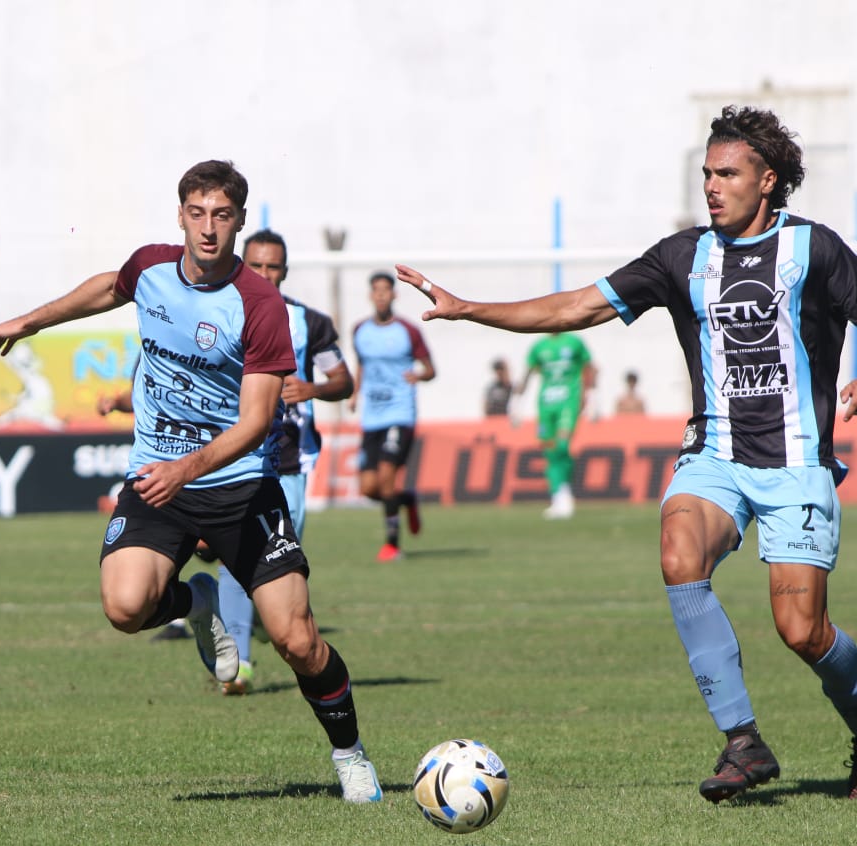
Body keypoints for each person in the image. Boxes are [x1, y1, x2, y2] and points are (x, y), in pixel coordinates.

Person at [396, 105, 857, 803]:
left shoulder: (816, 250)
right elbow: (574, 308)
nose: (712, 185)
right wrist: (470, 309)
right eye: (707, 172)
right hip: (716, 457)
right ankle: (743, 742)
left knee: (802, 631)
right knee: (679, 554)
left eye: (727, 173)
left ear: (766, 181)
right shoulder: (679, 257)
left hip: (796, 465)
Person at [0, 160, 382, 802]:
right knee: (125, 607)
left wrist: (185, 469)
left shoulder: (260, 304)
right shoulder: (153, 269)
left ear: (240, 222)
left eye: (222, 216)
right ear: (181, 216)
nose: (208, 229)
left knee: (297, 641)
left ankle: (350, 753)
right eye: (197, 214)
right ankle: (197, 604)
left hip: (240, 487)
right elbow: (109, 287)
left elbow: (256, 422)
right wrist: (25, 324)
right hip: (158, 479)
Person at [213, 228, 354, 694]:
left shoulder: (309, 323)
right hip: (230, 455)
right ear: (241, 265)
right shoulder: (216, 312)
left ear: (285, 271)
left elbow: (343, 380)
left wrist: (313, 389)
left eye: (273, 267)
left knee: (272, 561)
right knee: (237, 558)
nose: (264, 274)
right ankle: (239, 663)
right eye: (255, 265)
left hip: (289, 461)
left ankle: (272, 644)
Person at [349, 271, 436, 561]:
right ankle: (406, 500)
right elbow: (361, 366)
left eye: (386, 290)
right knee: (369, 488)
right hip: (371, 416)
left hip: (400, 413)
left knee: (387, 477)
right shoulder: (360, 330)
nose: (382, 295)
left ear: (394, 294)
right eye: (377, 290)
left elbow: (431, 369)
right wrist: (354, 393)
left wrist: (419, 375)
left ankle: (392, 545)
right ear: (371, 295)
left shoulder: (408, 331)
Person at [517, 333, 595, 519]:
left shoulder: (574, 342)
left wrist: (593, 395)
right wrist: (516, 401)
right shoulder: (539, 346)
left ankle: (564, 493)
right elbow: (527, 374)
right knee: (549, 451)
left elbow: (589, 368)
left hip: (568, 402)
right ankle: (559, 494)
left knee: (562, 445)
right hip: (545, 406)